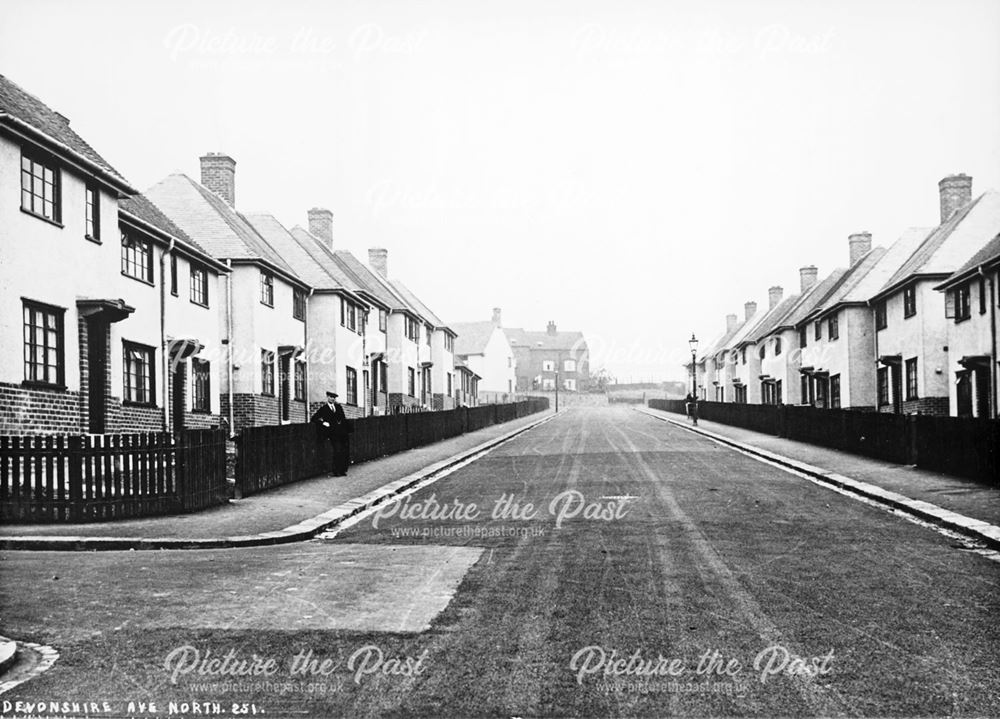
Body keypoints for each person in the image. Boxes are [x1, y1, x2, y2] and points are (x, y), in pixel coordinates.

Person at [311, 391, 353, 476]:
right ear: (327, 397)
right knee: (337, 451)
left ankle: (342, 470)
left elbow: (343, 418)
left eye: (334, 397)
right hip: (333, 434)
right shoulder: (324, 409)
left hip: (342, 433)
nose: (332, 399)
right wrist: (323, 423)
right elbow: (314, 418)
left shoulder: (338, 407)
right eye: (331, 397)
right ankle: (336, 471)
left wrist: (346, 429)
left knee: (344, 451)